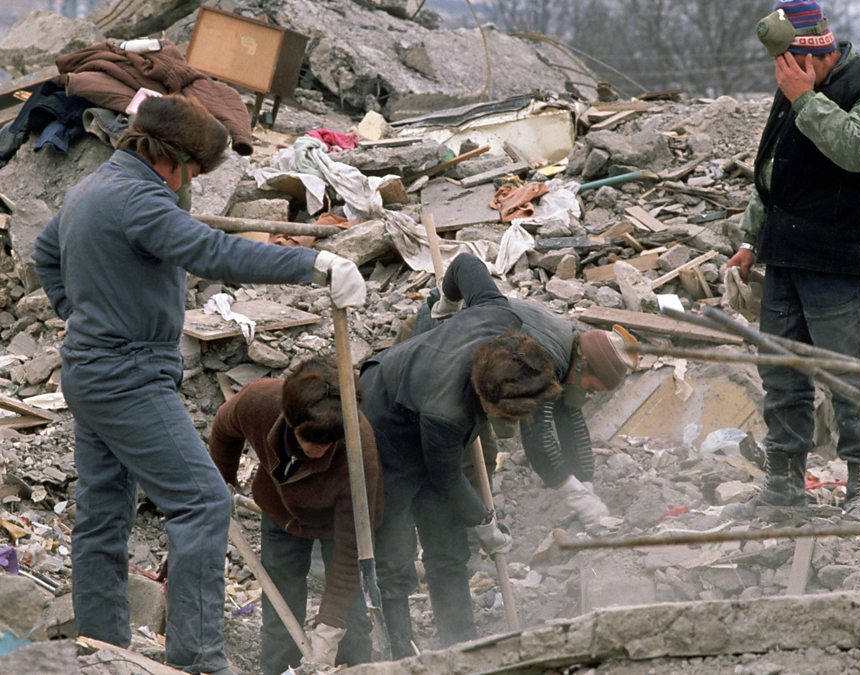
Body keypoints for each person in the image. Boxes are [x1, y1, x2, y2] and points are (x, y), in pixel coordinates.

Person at [32, 94, 365, 675]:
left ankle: (102, 650)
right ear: (174, 160)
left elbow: (45, 250)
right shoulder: (140, 199)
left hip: (91, 367)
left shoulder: (93, 188)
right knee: (203, 503)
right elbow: (210, 251)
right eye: (194, 174)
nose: (190, 186)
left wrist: (81, 312)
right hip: (126, 375)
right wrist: (311, 265)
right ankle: (200, 661)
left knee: (104, 515)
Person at [363, 253, 633, 655]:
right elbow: (446, 474)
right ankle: (403, 651)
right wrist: (484, 520)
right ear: (490, 402)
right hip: (388, 416)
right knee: (395, 547)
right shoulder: (448, 414)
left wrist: (449, 302)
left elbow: (467, 264)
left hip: (447, 390)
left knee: (449, 546)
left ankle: (461, 644)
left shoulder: (503, 322)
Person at [726, 0, 860, 518]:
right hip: (786, 257)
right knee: (781, 375)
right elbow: (775, 172)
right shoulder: (793, 91)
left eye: (787, 63)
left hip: (838, 260)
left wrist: (805, 100)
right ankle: (783, 486)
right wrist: (750, 240)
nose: (779, 74)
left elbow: (857, 149)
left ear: (813, 55)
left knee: (849, 378)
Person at [208, 357, 382, 674]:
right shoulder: (260, 401)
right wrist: (222, 484)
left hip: (338, 524)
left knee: (351, 616)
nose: (317, 450)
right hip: (280, 510)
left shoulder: (360, 453)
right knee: (280, 605)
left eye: (327, 443)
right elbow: (224, 428)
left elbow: (349, 551)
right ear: (290, 420)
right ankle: (277, 669)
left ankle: (356, 667)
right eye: (309, 439)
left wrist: (327, 632)